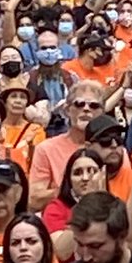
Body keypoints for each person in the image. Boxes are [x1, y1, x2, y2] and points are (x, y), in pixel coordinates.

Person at [28, 80, 106, 209]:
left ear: (102, 112)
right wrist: (71, 189)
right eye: (79, 104)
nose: (86, 109)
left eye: (94, 106)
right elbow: (34, 199)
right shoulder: (46, 149)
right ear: (67, 110)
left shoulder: (113, 150)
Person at [41, 146, 106, 262]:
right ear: (69, 179)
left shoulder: (114, 206)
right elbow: (62, 252)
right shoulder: (55, 209)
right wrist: (86, 204)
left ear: (103, 175)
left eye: (92, 171)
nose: (85, 178)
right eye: (78, 173)